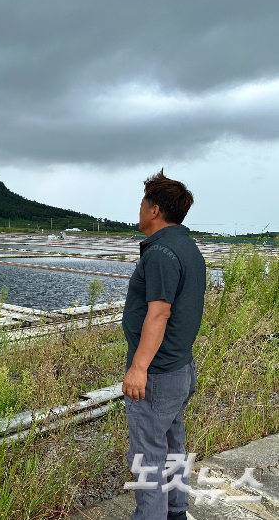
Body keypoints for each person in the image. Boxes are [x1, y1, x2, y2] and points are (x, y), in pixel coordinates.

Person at [122, 170, 206, 520]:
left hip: (157, 374)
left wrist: (138, 368)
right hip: (180, 368)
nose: (139, 209)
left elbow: (159, 314)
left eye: (142, 203)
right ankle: (176, 512)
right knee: (172, 447)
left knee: (147, 459)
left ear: (154, 210)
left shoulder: (160, 253)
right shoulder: (188, 247)